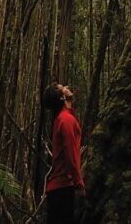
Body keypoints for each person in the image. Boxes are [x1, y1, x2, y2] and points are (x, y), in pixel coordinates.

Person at [42, 83, 85, 224]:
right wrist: (79, 185)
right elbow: (70, 155)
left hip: (59, 189)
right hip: (63, 189)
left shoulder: (63, 118)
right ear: (62, 97)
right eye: (63, 88)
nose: (67, 86)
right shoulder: (66, 120)